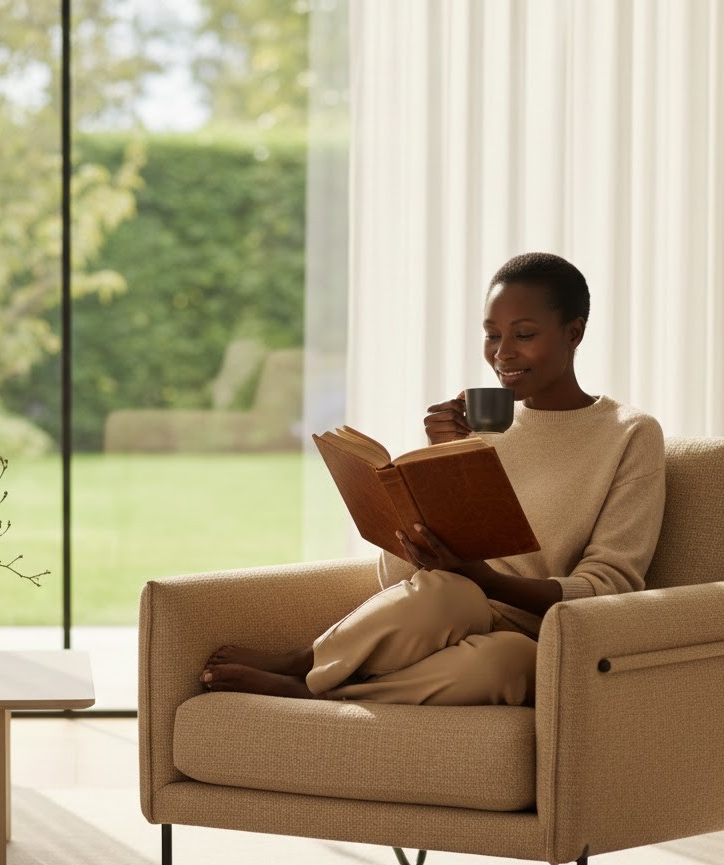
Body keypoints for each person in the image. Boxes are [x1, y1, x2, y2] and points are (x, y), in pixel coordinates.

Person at [201, 252, 666, 705]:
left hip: (543, 635)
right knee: (447, 594)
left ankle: (310, 684)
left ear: (574, 333)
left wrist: (490, 581)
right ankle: (306, 660)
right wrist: (439, 459)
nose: (503, 353)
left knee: (498, 663)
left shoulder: (629, 434)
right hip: (453, 606)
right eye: (491, 335)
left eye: (524, 334)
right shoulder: (478, 428)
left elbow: (612, 586)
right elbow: (401, 579)